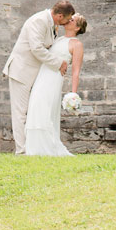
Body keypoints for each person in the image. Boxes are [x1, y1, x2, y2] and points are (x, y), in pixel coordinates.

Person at [3, 0, 75, 155]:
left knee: (32, 110)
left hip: (35, 73)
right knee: (20, 112)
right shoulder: (39, 21)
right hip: (21, 70)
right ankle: (21, 151)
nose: (69, 22)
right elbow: (36, 49)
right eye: (68, 19)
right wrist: (58, 62)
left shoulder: (53, 23)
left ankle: (32, 147)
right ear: (60, 16)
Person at [25, 13, 87, 156]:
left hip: (53, 80)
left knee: (46, 111)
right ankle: (33, 149)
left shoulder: (77, 45)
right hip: (41, 77)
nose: (69, 20)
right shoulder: (57, 39)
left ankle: (48, 148)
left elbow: (76, 72)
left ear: (77, 27)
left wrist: (73, 94)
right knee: (35, 108)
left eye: (72, 20)